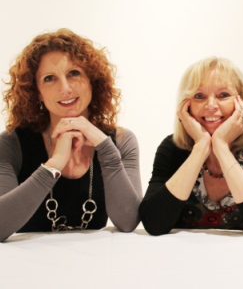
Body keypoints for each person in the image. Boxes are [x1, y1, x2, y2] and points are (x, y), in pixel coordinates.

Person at [0, 28, 143, 241]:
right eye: (50, 78)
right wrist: (55, 163)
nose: (65, 89)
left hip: (95, 267)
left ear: (91, 80)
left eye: (73, 73)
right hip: (29, 269)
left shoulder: (121, 141)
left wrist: (105, 147)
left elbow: (128, 221)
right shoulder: (11, 144)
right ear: (37, 91)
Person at [139, 57, 243, 238]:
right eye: (199, 96)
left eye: (223, 95)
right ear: (186, 105)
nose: (211, 106)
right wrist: (201, 147)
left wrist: (221, 146)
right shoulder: (172, 148)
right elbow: (153, 223)